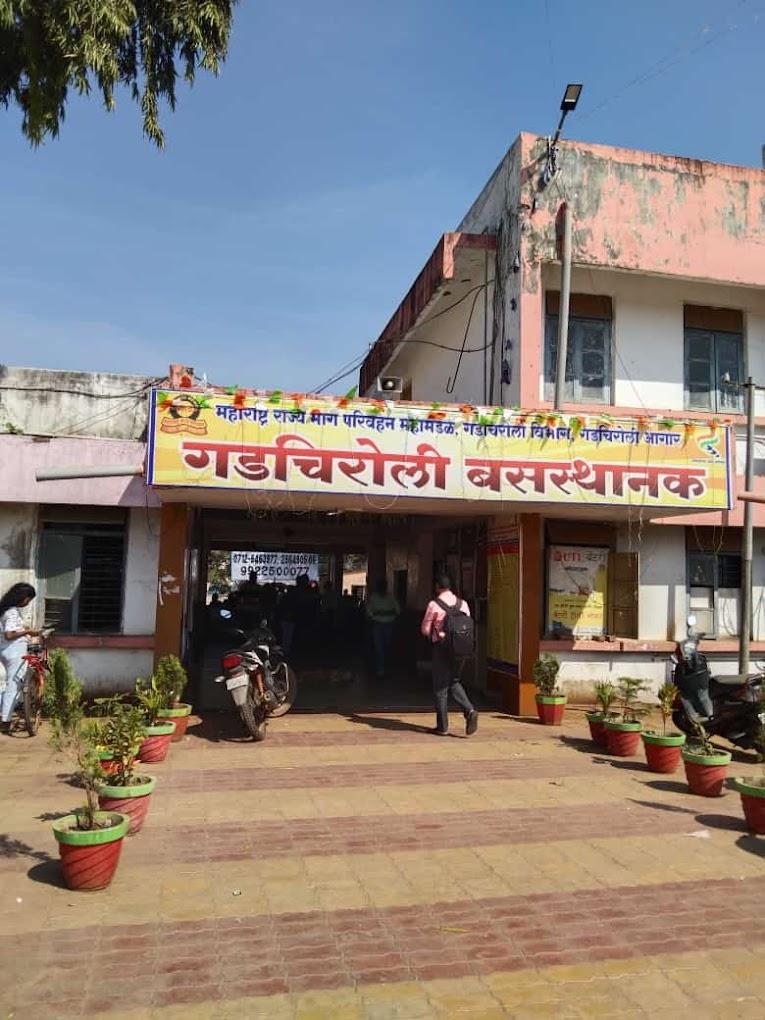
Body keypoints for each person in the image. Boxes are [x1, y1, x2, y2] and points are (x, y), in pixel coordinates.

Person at [420, 573, 478, 737]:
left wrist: (437, 632)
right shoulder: (463, 604)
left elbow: (425, 630)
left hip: (441, 648)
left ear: (437, 587)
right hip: (460, 650)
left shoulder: (434, 604)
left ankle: (442, 726)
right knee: (453, 681)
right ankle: (470, 710)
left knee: (440, 688)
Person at [0, 583, 39, 734]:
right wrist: (27, 632)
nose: (28, 603)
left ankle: (4, 715)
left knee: (8, 685)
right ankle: (5, 721)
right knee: (14, 686)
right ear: (22, 597)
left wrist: (24, 631)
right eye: (28, 599)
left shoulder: (5, 609)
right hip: (14, 651)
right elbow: (9, 635)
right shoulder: (12, 612)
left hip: (6, 650)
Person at [366, 579, 401, 678]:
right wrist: (384, 612)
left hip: (389, 625)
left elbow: (398, 610)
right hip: (377, 625)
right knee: (378, 648)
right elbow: (369, 611)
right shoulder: (373, 598)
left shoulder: (391, 597)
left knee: (387, 647)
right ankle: (380, 669)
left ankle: (386, 667)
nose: (382, 589)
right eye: (380, 587)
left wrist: (380, 612)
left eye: (383, 587)